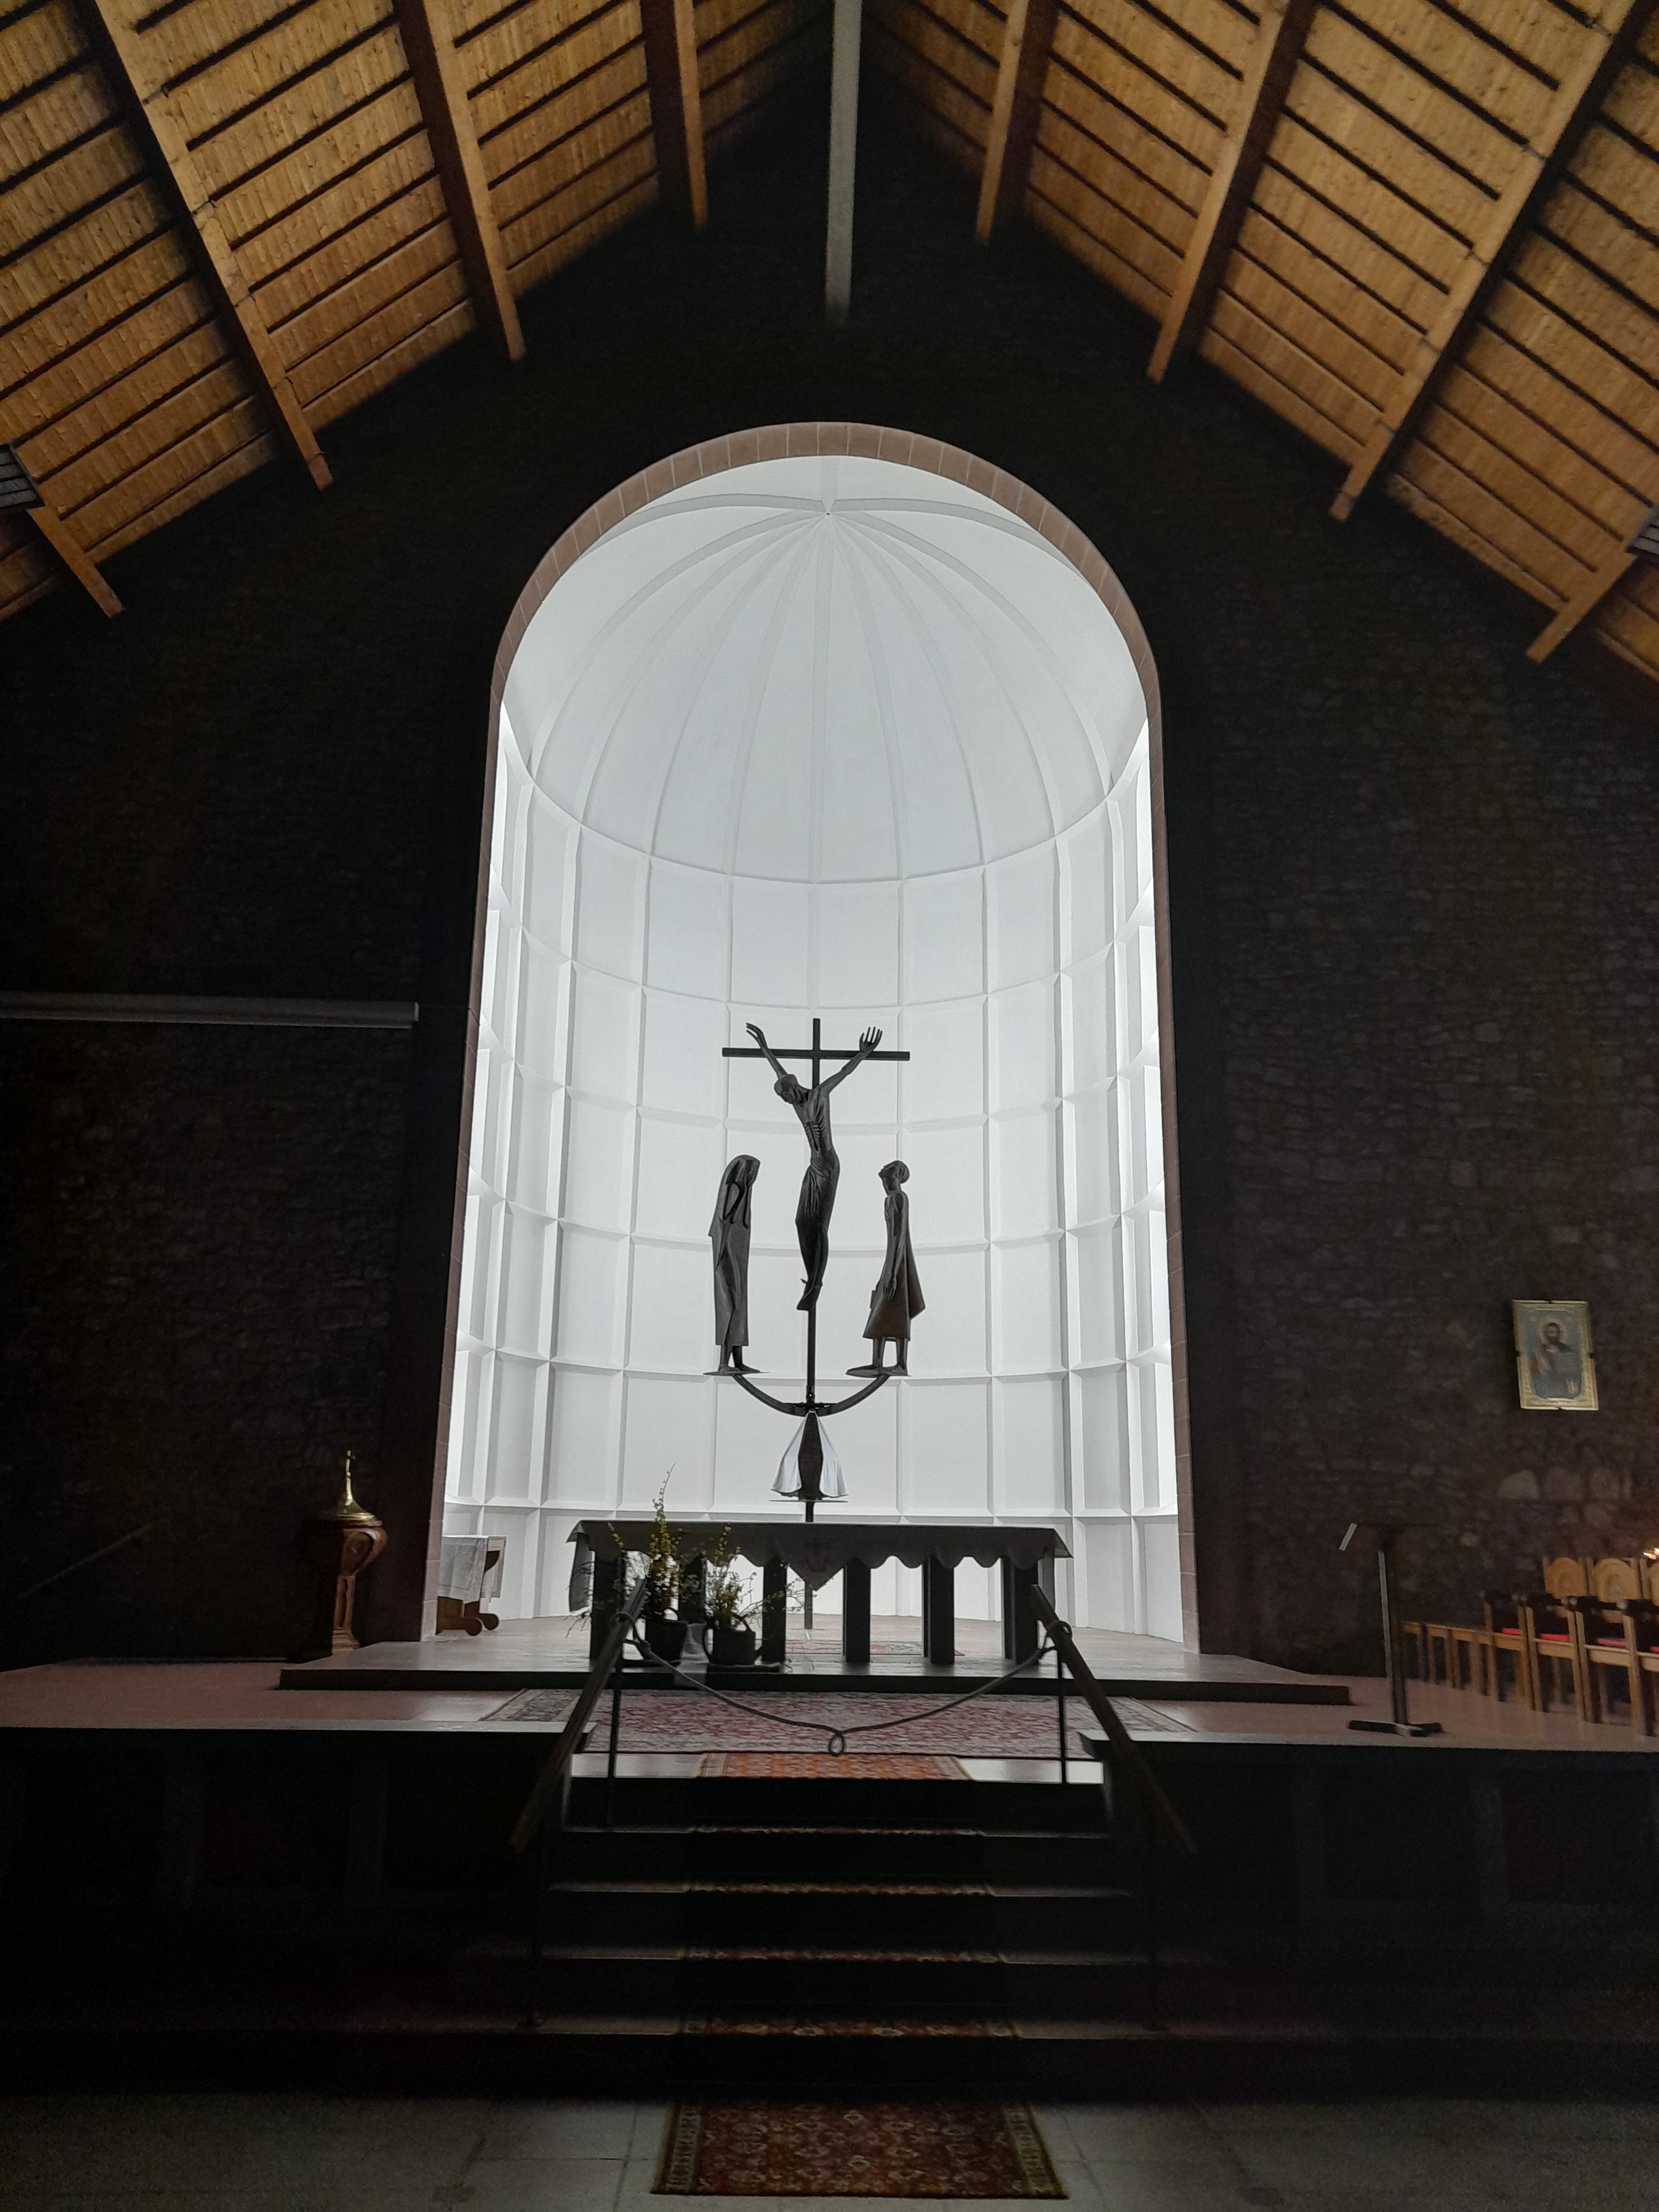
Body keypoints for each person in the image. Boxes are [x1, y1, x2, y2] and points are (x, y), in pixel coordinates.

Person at [744, 1022, 881, 1311]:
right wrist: (764, 1047)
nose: (788, 1101)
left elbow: (844, 1073)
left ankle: (817, 1283)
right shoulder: (795, 1103)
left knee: (819, 1226)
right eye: (784, 1099)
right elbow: (779, 1071)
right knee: (801, 1221)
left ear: (794, 1088)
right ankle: (811, 1278)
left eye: (788, 1095)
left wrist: (863, 1054)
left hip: (828, 1167)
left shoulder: (819, 1095)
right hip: (813, 1167)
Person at [848, 1160, 924, 1375]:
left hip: (899, 1262)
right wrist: (886, 1272)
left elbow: (899, 1236)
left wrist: (892, 1273)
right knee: (881, 1307)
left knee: (897, 1308)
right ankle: (877, 1362)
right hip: (892, 1261)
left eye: (888, 1179)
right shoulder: (890, 1199)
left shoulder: (899, 1198)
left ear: (896, 1178)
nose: (885, 1184)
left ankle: (901, 1364)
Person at [708, 1154, 760, 1371]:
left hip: (738, 1254)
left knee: (740, 1305)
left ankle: (738, 1361)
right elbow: (725, 1221)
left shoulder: (744, 1195)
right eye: (750, 1172)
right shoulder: (734, 1192)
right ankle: (724, 1363)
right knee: (730, 1305)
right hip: (729, 1254)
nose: (752, 1177)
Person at [1529, 1315, 1584, 1400]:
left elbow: (1574, 1370)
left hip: (1563, 1385)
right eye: (1551, 1332)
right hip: (1546, 1386)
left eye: (1555, 1332)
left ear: (1559, 1334)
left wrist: (1558, 1358)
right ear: (1546, 1334)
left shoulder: (1566, 1350)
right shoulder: (1540, 1351)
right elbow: (1535, 1373)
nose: (1553, 1335)